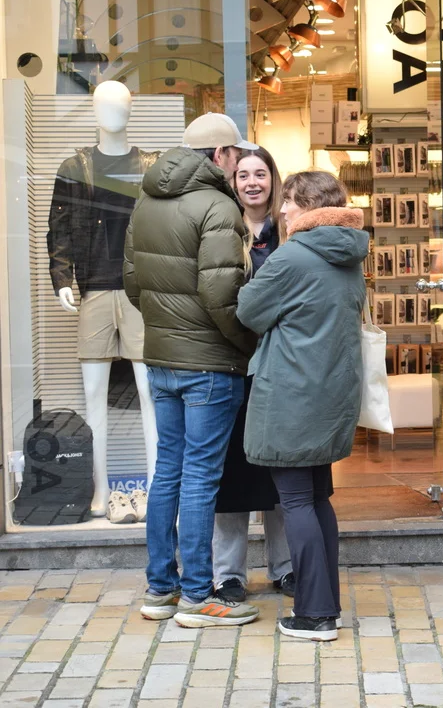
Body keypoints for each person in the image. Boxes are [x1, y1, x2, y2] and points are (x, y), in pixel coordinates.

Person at [124, 113, 260, 627]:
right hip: (210, 364)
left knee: (168, 472)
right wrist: (245, 346)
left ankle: (161, 589)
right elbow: (222, 294)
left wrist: (169, 327)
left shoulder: (145, 201)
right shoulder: (217, 206)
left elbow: (133, 284)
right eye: (235, 156)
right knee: (201, 477)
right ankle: (199, 596)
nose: (236, 167)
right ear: (220, 154)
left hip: (161, 358)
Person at [237, 171, 368, 642]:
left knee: (296, 502)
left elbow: (248, 310)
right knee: (316, 499)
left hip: (292, 395)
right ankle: (326, 606)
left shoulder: (292, 256)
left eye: (289, 201)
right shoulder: (348, 253)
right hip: (331, 395)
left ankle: (314, 615)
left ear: (308, 205)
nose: (283, 209)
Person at [213, 147, 294, 603]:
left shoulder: (289, 230)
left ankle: (285, 568)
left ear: (272, 179)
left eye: (260, 173)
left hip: (282, 367)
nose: (251, 183)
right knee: (232, 474)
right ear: (233, 183)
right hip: (233, 365)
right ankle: (228, 574)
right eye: (242, 175)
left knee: (282, 472)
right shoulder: (222, 228)